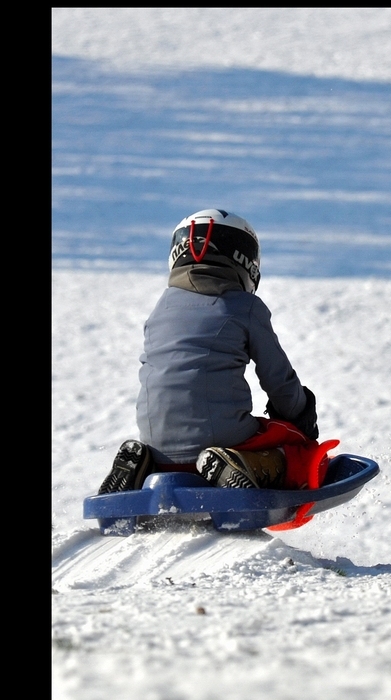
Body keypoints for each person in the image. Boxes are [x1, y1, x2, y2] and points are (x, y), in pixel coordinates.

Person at [98, 209, 328, 496]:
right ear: (246, 260)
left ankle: (141, 468)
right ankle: (242, 465)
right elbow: (278, 381)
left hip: (156, 443)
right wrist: (301, 412)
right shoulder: (245, 306)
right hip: (223, 438)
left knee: (175, 446)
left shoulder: (162, 308)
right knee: (297, 450)